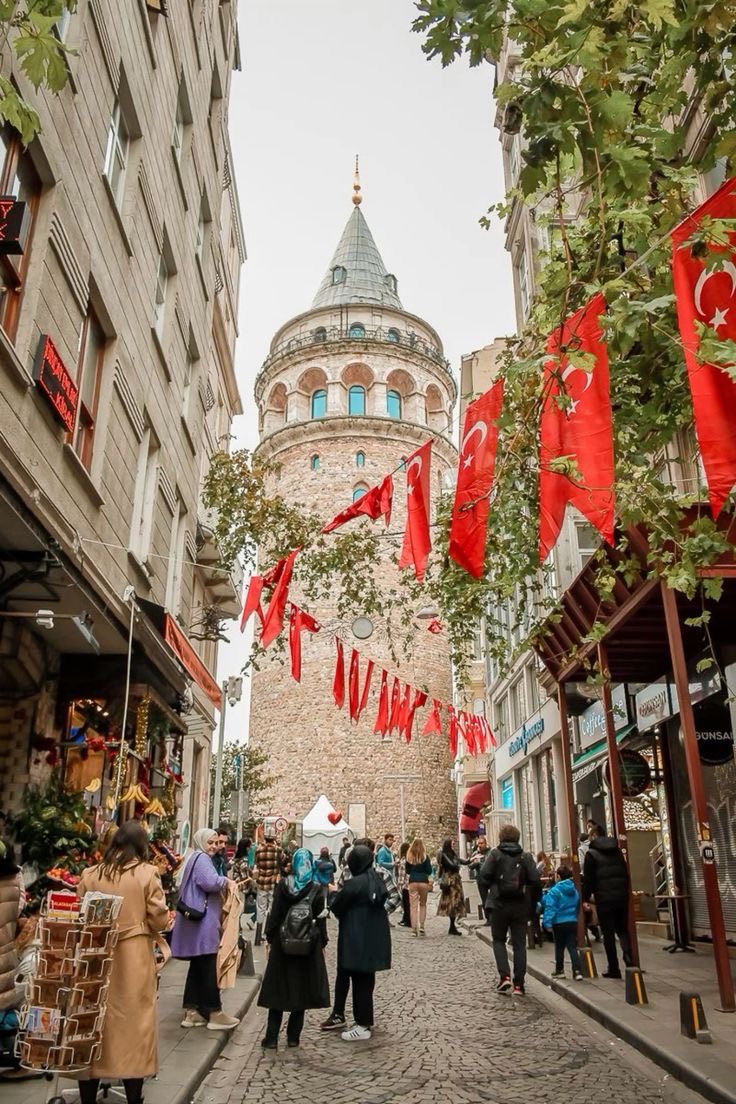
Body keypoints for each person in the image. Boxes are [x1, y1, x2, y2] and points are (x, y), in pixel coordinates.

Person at [73, 822, 169, 1104]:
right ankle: (133, 1097)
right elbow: (159, 919)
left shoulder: (91, 874)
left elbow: (79, 913)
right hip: (132, 957)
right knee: (134, 1025)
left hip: (95, 957)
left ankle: (87, 1095)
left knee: (91, 1021)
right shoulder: (147, 874)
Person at [257, 848, 329, 1049]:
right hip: (307, 946)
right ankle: (293, 1037)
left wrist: (270, 938)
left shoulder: (283, 885)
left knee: (277, 989)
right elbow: (320, 919)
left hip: (283, 944)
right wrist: (322, 943)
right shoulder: (316, 888)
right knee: (301, 990)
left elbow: (275, 914)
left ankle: (271, 1037)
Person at [171, 828, 240, 1030]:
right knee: (209, 965)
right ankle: (214, 1012)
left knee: (198, 965)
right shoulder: (202, 859)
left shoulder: (194, 856)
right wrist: (226, 881)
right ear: (201, 841)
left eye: (215, 842)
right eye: (210, 842)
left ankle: (192, 1011)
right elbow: (209, 882)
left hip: (195, 921)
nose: (214, 846)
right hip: (204, 922)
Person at [329, 844, 391, 1041]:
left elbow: (336, 906)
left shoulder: (355, 884)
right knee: (366, 980)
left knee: (359, 981)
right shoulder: (377, 879)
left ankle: (362, 1025)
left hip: (356, 936)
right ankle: (364, 1021)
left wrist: (333, 893)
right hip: (374, 936)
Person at [478, 824, 541, 995]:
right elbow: (535, 881)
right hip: (520, 905)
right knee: (520, 944)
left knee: (498, 940)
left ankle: (504, 976)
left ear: (501, 838)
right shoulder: (525, 857)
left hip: (499, 904)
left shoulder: (495, 855)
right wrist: (532, 903)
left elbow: (483, 877)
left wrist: (486, 901)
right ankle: (519, 984)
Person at [583, 826, 632, 978]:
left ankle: (613, 967)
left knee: (608, 933)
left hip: (604, 899)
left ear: (594, 836)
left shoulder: (591, 854)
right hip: (621, 897)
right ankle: (629, 958)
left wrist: (584, 898)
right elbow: (625, 873)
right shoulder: (617, 850)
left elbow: (588, 880)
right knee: (622, 930)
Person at [542, 865, 583, 980]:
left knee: (559, 947)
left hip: (559, 922)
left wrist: (547, 923)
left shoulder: (555, 891)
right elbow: (577, 904)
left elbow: (550, 907)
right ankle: (577, 971)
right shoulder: (574, 890)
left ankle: (560, 970)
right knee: (572, 947)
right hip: (572, 921)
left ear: (558, 876)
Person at [253, 830, 284, 945]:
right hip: (273, 882)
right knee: (271, 908)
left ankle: (258, 937)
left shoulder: (259, 849)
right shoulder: (278, 850)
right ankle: (267, 934)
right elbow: (282, 861)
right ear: (274, 838)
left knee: (260, 908)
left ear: (265, 838)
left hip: (261, 882)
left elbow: (256, 863)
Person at [436, 839, 468, 935]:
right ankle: (452, 927)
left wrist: (472, 859)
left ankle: (452, 926)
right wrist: (457, 864)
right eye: (452, 844)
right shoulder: (444, 855)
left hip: (455, 880)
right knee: (452, 902)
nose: (454, 845)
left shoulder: (452, 854)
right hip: (450, 880)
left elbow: (462, 862)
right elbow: (452, 865)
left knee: (456, 902)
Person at [405, 838, 432, 936]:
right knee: (423, 904)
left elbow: (407, 871)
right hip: (423, 881)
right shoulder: (425, 857)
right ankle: (422, 927)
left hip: (413, 881)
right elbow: (429, 871)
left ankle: (414, 929)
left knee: (413, 906)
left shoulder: (409, 856)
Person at [397, 842, 411, 927]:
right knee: (405, 902)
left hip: (405, 883)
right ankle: (405, 918)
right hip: (407, 882)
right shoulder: (408, 858)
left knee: (406, 902)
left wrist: (401, 883)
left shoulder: (404, 859)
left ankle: (407, 920)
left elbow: (403, 873)